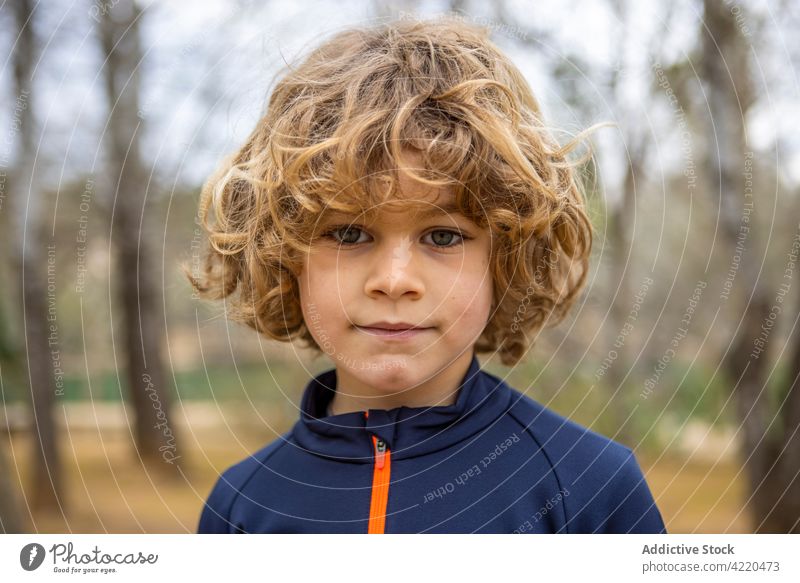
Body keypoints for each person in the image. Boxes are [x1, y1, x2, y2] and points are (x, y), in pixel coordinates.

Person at [186, 16, 666, 534]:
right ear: (285, 257)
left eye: (442, 237)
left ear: (504, 259)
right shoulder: (242, 506)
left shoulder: (589, 486)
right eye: (349, 234)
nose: (394, 281)